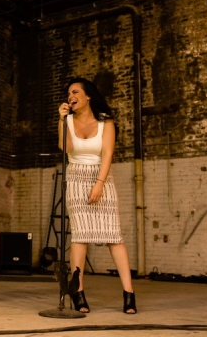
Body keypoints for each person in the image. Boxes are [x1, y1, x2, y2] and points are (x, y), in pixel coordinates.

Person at [57, 77, 137, 314]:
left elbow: (108, 154)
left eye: (75, 92)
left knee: (114, 235)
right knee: (80, 236)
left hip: (101, 177)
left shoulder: (106, 122)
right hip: (75, 178)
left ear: (88, 95)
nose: (70, 96)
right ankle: (78, 292)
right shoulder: (67, 121)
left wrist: (99, 183)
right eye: (68, 93)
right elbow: (66, 149)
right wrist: (61, 121)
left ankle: (129, 294)